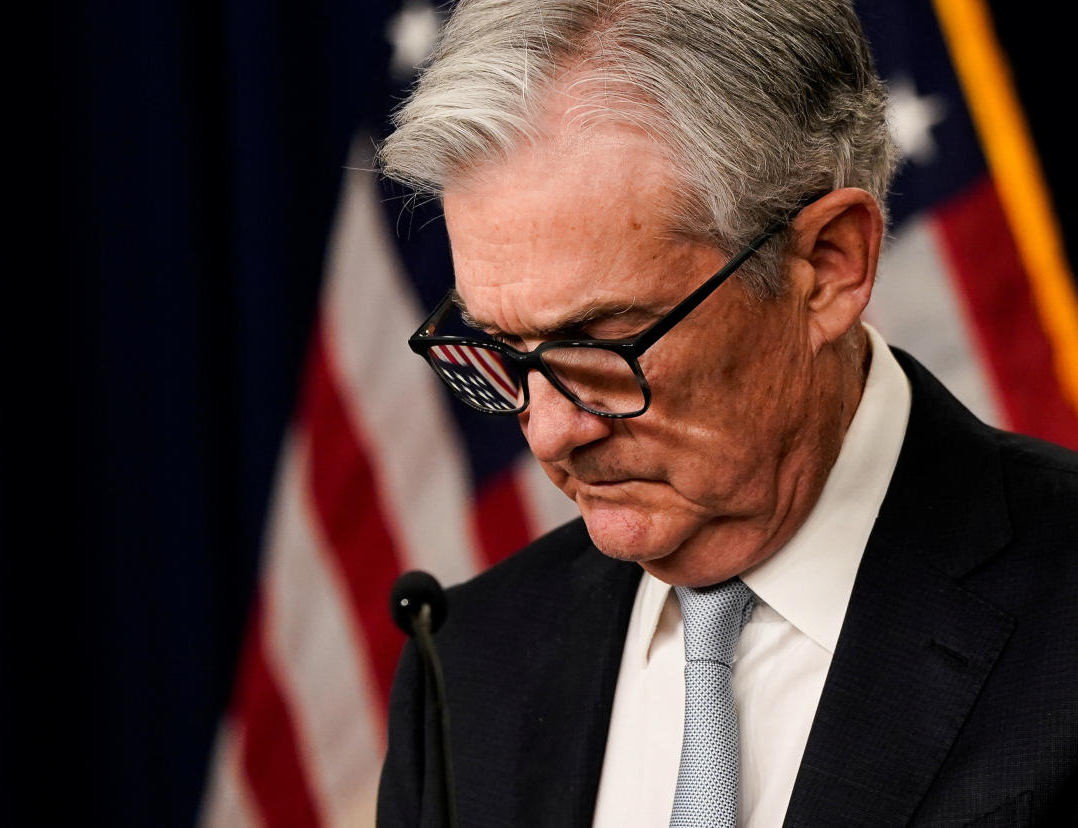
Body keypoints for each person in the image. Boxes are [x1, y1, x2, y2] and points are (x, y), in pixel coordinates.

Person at [376, 0, 1078, 825]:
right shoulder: (464, 668)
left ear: (827, 264)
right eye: (505, 350)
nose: (550, 431)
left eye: (603, 344)